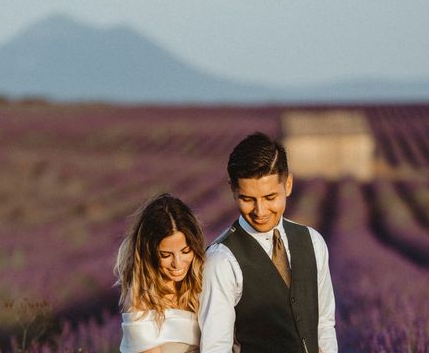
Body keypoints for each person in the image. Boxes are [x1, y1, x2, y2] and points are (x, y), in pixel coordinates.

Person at [199, 132, 337, 353]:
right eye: (247, 199)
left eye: (270, 197)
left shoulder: (313, 242)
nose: (260, 211)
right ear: (233, 190)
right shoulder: (221, 259)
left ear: (288, 184)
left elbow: (324, 324)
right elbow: (215, 347)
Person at [115, 193, 205, 353]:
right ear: (149, 253)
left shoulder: (203, 281)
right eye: (166, 255)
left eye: (185, 251)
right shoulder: (139, 304)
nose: (177, 263)